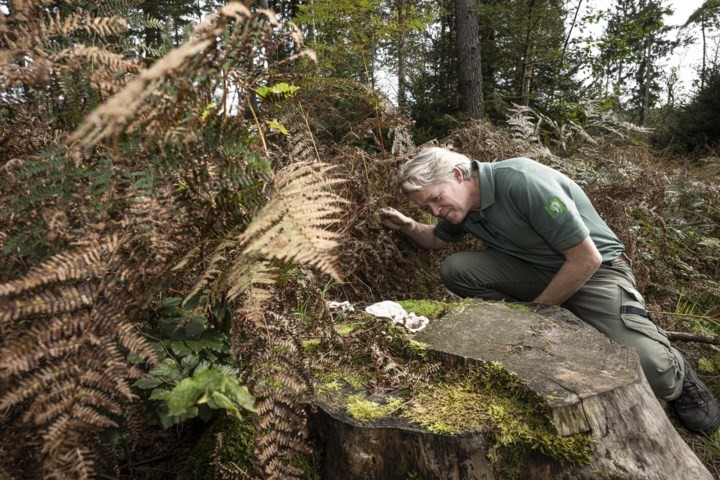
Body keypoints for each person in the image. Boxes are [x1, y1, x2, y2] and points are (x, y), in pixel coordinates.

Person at [379, 146, 719, 434]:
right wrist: (409, 225)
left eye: (436, 200)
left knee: (656, 373)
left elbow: (587, 258)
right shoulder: (463, 206)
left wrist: (536, 316)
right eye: (427, 208)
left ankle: (679, 369)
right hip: (535, 271)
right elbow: (437, 241)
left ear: (457, 174)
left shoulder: (522, 182)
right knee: (457, 270)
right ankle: (562, 323)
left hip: (597, 272)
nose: (436, 211)